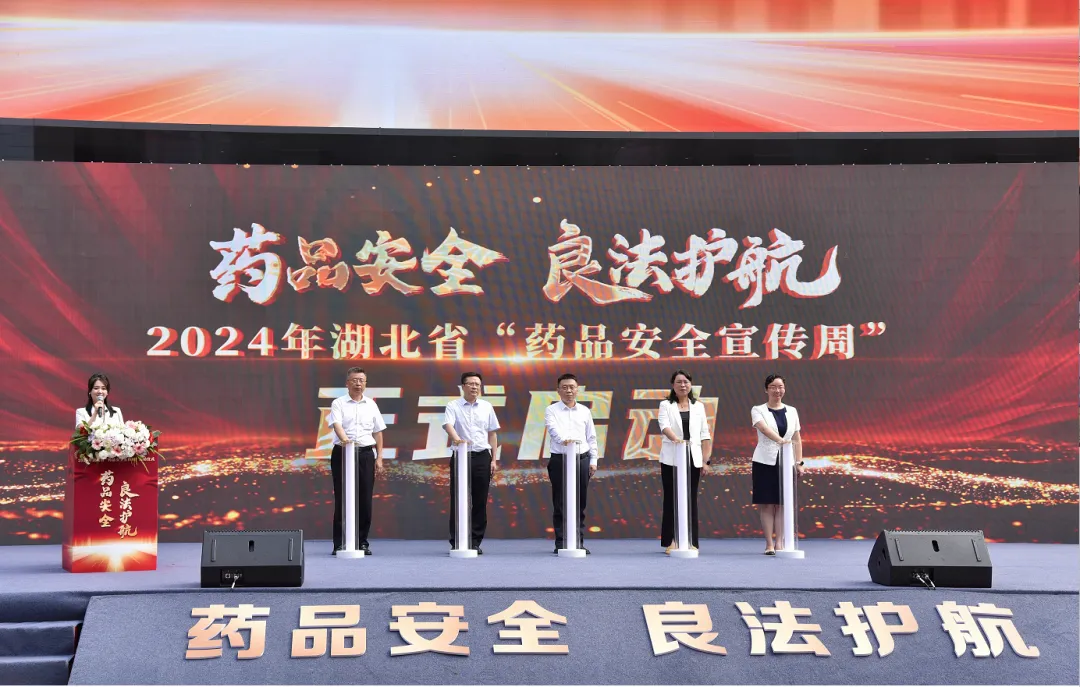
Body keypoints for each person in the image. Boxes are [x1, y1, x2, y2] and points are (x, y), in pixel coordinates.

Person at [328, 367, 386, 556]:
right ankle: (340, 543)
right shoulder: (338, 403)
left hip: (366, 454)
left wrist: (379, 457)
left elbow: (378, 432)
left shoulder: (371, 405)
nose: (358, 383)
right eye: (354, 380)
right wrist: (346, 441)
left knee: (365, 499)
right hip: (343, 452)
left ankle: (362, 542)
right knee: (342, 498)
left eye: (361, 380)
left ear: (366, 384)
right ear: (347, 383)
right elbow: (337, 425)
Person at [443, 371, 500, 555]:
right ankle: (457, 540)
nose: (475, 387)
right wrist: (457, 439)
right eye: (471, 383)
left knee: (480, 500)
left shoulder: (486, 406)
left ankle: (475, 541)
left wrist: (494, 459)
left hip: (482, 456)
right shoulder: (453, 405)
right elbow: (448, 425)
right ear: (463, 386)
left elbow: (492, 433)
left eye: (477, 384)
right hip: (461, 455)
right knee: (458, 499)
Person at [657, 369, 712, 554]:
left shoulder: (698, 406)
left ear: (691, 384)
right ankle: (672, 540)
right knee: (672, 498)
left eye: (686, 382)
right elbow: (664, 426)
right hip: (672, 458)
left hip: (693, 458)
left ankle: (690, 540)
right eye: (679, 382)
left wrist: (706, 461)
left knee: (690, 499)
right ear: (673, 385)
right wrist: (677, 440)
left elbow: (705, 434)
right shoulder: (666, 405)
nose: (683, 385)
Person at [543, 373, 599, 554]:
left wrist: (593, 460)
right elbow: (553, 430)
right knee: (560, 502)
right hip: (560, 459)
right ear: (558, 390)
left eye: (572, 387)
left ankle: (577, 542)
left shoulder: (584, 411)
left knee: (579, 502)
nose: (568, 391)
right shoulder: (551, 410)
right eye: (565, 387)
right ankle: (561, 542)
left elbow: (591, 437)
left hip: (581, 459)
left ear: (577, 389)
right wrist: (565, 441)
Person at [751, 374, 804, 555]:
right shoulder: (758, 410)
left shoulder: (792, 411)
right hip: (764, 461)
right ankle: (769, 544)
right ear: (766, 389)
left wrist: (799, 462)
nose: (777, 390)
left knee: (782, 504)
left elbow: (797, 437)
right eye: (773, 387)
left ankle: (780, 542)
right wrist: (781, 441)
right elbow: (764, 429)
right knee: (767, 504)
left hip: (786, 462)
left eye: (780, 387)